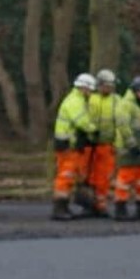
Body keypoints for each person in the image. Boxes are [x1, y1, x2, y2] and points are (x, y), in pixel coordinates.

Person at [111, 77, 140, 221]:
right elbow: (123, 127)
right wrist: (132, 145)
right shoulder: (125, 105)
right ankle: (120, 209)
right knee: (124, 180)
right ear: (135, 91)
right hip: (128, 150)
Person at [51, 74, 97, 220]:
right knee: (66, 176)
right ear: (84, 88)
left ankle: (63, 206)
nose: (91, 93)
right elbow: (81, 121)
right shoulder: (75, 101)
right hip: (68, 146)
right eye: (90, 89)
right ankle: (59, 208)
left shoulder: (75, 99)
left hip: (69, 145)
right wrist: (94, 129)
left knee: (69, 176)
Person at [83, 70, 121, 217]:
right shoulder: (90, 99)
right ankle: (88, 204)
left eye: (111, 85)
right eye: (106, 85)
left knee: (104, 177)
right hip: (89, 145)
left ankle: (101, 205)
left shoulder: (116, 101)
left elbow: (121, 123)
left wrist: (117, 143)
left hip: (107, 145)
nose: (109, 88)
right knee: (86, 176)